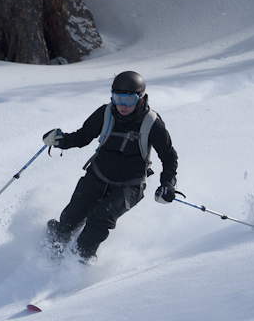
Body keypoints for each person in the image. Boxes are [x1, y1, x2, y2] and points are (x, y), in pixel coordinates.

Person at [42, 71, 178, 261]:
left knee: (99, 220)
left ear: (140, 98)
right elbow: (82, 136)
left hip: (129, 186)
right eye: (117, 98)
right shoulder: (105, 113)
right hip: (97, 175)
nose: (122, 105)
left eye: (129, 99)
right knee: (70, 218)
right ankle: (48, 254)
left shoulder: (152, 123)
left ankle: (78, 263)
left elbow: (169, 157)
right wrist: (60, 140)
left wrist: (168, 184)